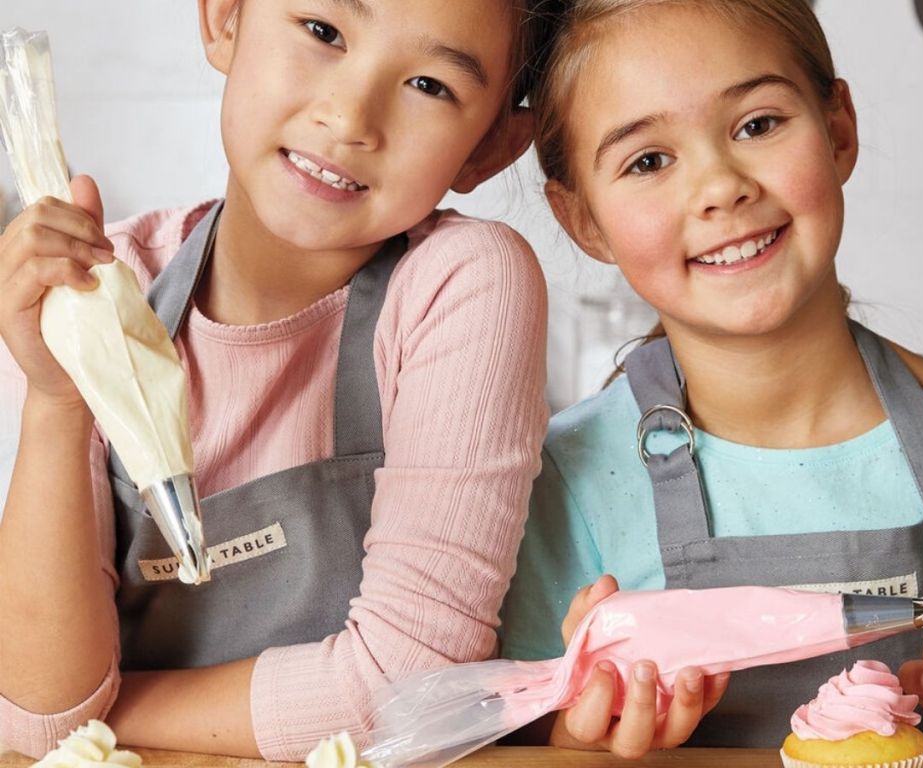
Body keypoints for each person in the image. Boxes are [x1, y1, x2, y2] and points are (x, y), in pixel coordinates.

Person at [0, 0, 556, 760]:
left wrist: (92, 721)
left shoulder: (459, 286)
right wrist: (59, 399)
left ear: (489, 146)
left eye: (428, 84)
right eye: (324, 32)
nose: (351, 116)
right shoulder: (105, 289)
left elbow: (410, 685)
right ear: (224, 19)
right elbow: (33, 700)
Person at [499, 0, 923, 758]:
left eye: (758, 124)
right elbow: (510, 737)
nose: (721, 187)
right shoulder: (557, 489)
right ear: (582, 219)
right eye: (648, 160)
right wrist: (570, 739)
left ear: (838, 128)